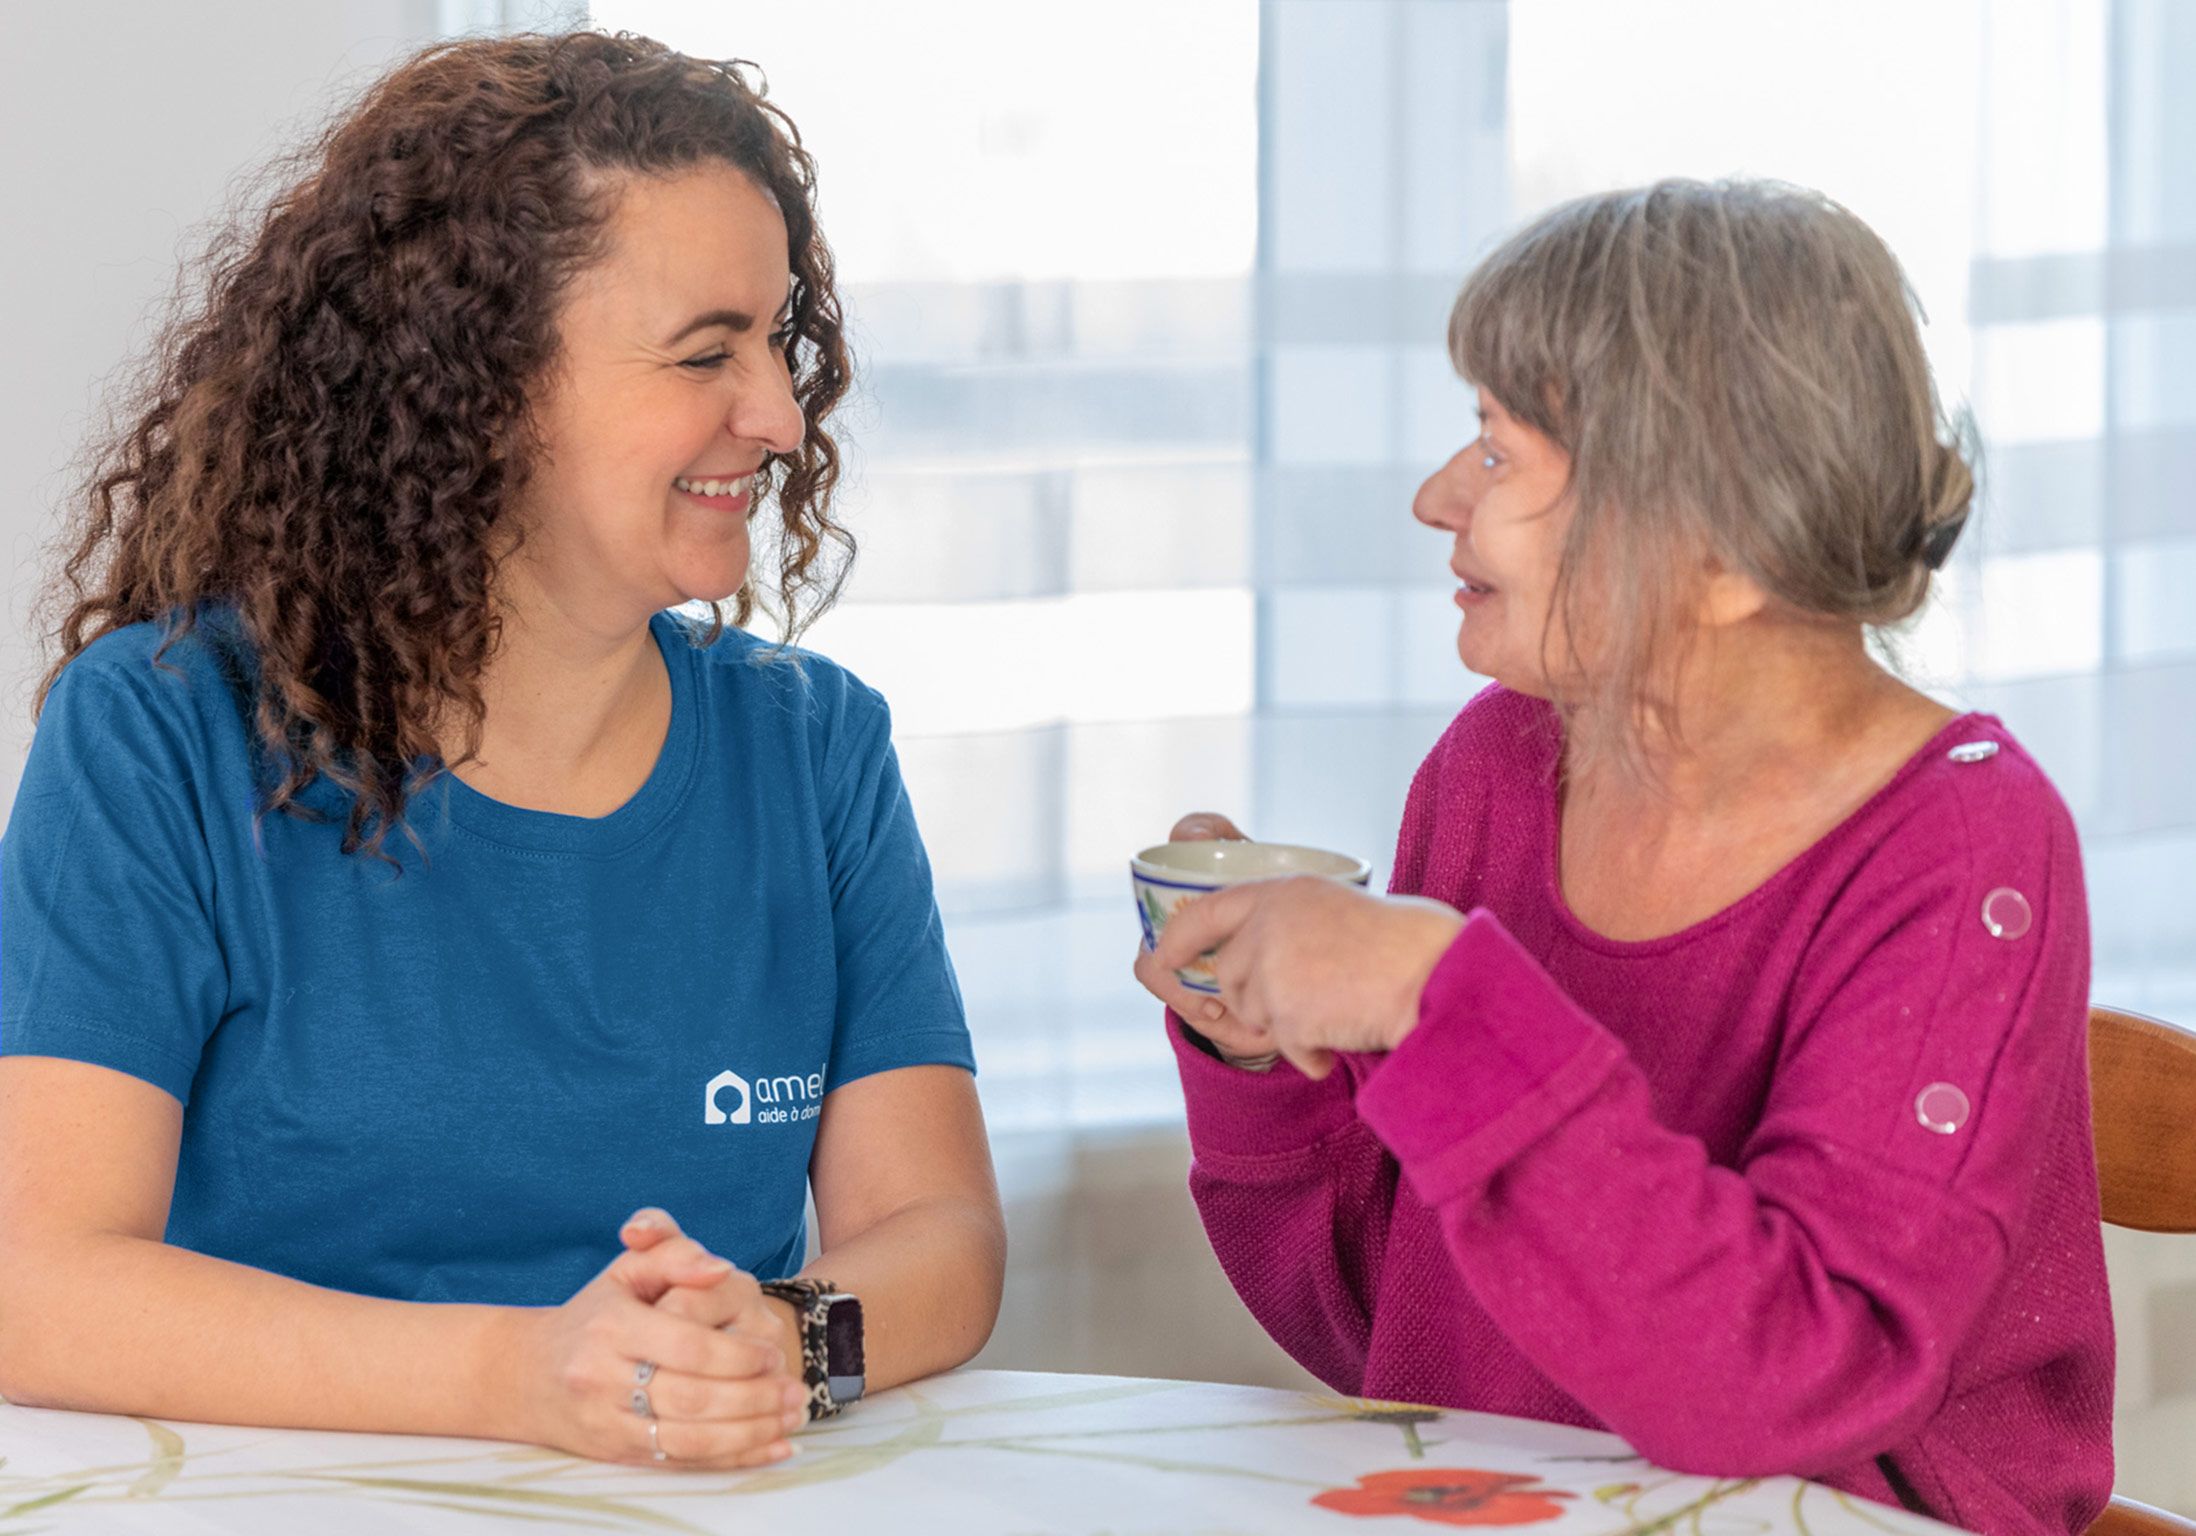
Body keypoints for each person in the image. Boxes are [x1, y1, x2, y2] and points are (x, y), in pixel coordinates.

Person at [0, 32, 1003, 1471]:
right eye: (705, 351)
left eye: (776, 341)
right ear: (480, 382)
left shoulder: (818, 751)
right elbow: (40, 1293)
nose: (781, 416)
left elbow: (942, 1247)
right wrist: (522, 1372)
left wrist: (776, 1343)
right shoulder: (157, 735)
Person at [1136, 180, 2111, 1534]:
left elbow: (1788, 1386)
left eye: (1496, 451)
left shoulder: (1964, 852)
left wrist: (1432, 1004)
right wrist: (1263, 1052)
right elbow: (1392, 1330)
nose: (1434, 497)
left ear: (1716, 544)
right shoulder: (1494, 771)